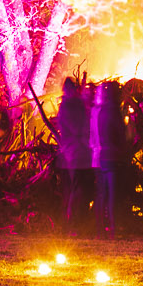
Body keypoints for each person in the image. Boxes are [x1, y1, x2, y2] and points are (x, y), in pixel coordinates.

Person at [54, 79, 93, 233]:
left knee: (78, 188)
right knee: (77, 188)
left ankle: (75, 223)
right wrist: (85, 140)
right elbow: (76, 128)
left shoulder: (73, 105)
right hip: (75, 153)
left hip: (76, 153)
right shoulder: (68, 107)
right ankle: (73, 224)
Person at [89, 80, 125, 235]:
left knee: (102, 193)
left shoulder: (100, 111)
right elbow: (120, 133)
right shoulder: (114, 111)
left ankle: (100, 228)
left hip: (102, 156)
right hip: (113, 156)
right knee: (112, 194)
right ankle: (113, 227)